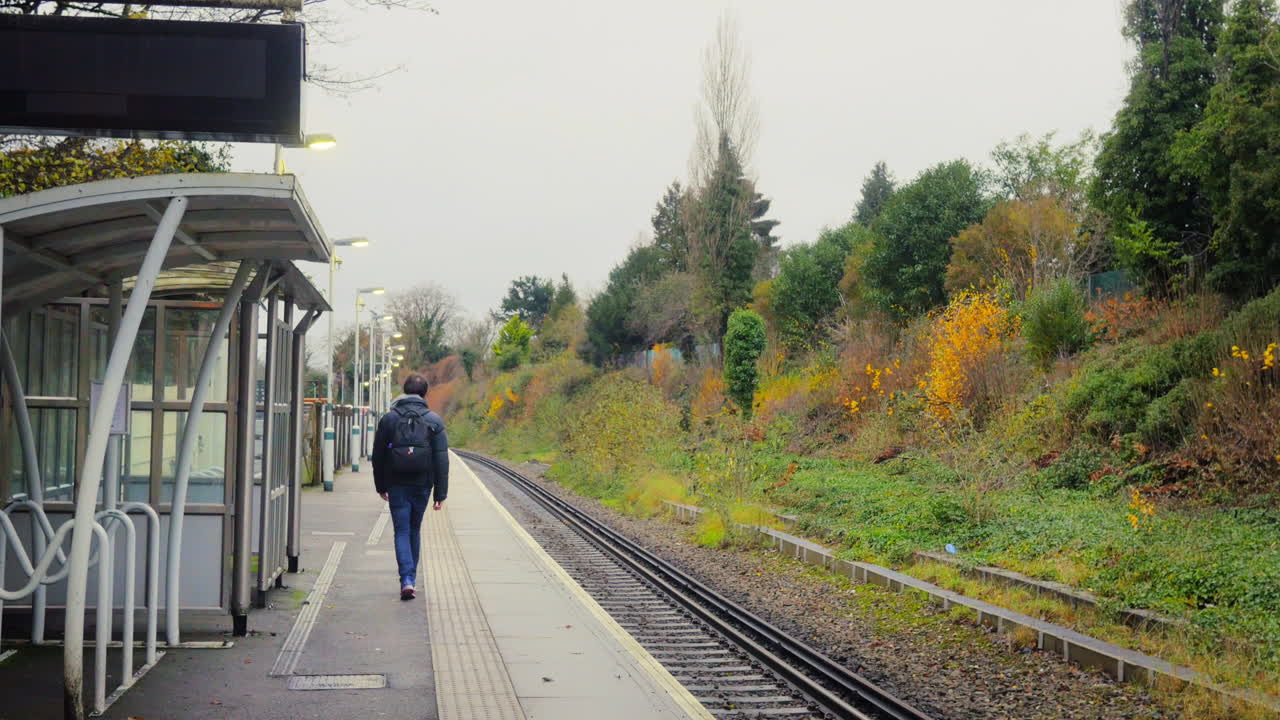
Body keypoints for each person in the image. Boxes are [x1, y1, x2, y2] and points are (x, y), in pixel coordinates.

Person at [371, 373, 449, 600]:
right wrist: (440, 492)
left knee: (402, 530)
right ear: (425, 393)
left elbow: (378, 456)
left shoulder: (389, 419)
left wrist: (380, 486)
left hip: (396, 483)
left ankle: (406, 579)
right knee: (414, 529)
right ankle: (411, 579)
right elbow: (441, 458)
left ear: (405, 392)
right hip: (422, 484)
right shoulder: (434, 420)